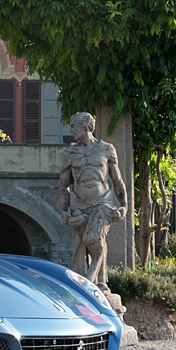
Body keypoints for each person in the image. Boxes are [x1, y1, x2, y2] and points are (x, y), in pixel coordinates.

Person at [56, 112, 127, 288]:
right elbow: (63, 185)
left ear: (86, 126)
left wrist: (124, 206)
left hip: (103, 202)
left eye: (74, 126)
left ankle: (97, 282)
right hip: (78, 204)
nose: (71, 130)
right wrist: (64, 211)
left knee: (95, 239)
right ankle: (83, 286)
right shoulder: (70, 153)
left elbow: (117, 181)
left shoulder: (107, 149)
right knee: (79, 247)